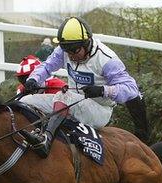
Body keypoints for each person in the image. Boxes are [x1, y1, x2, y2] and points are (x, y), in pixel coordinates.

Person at [19, 16, 146, 158]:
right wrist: (33, 79)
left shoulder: (107, 59)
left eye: (75, 50)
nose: (71, 55)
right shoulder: (64, 50)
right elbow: (47, 66)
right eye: (68, 51)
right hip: (71, 103)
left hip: (99, 110)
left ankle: (46, 140)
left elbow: (131, 89)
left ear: (87, 43)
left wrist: (103, 90)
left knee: (64, 95)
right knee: (26, 101)